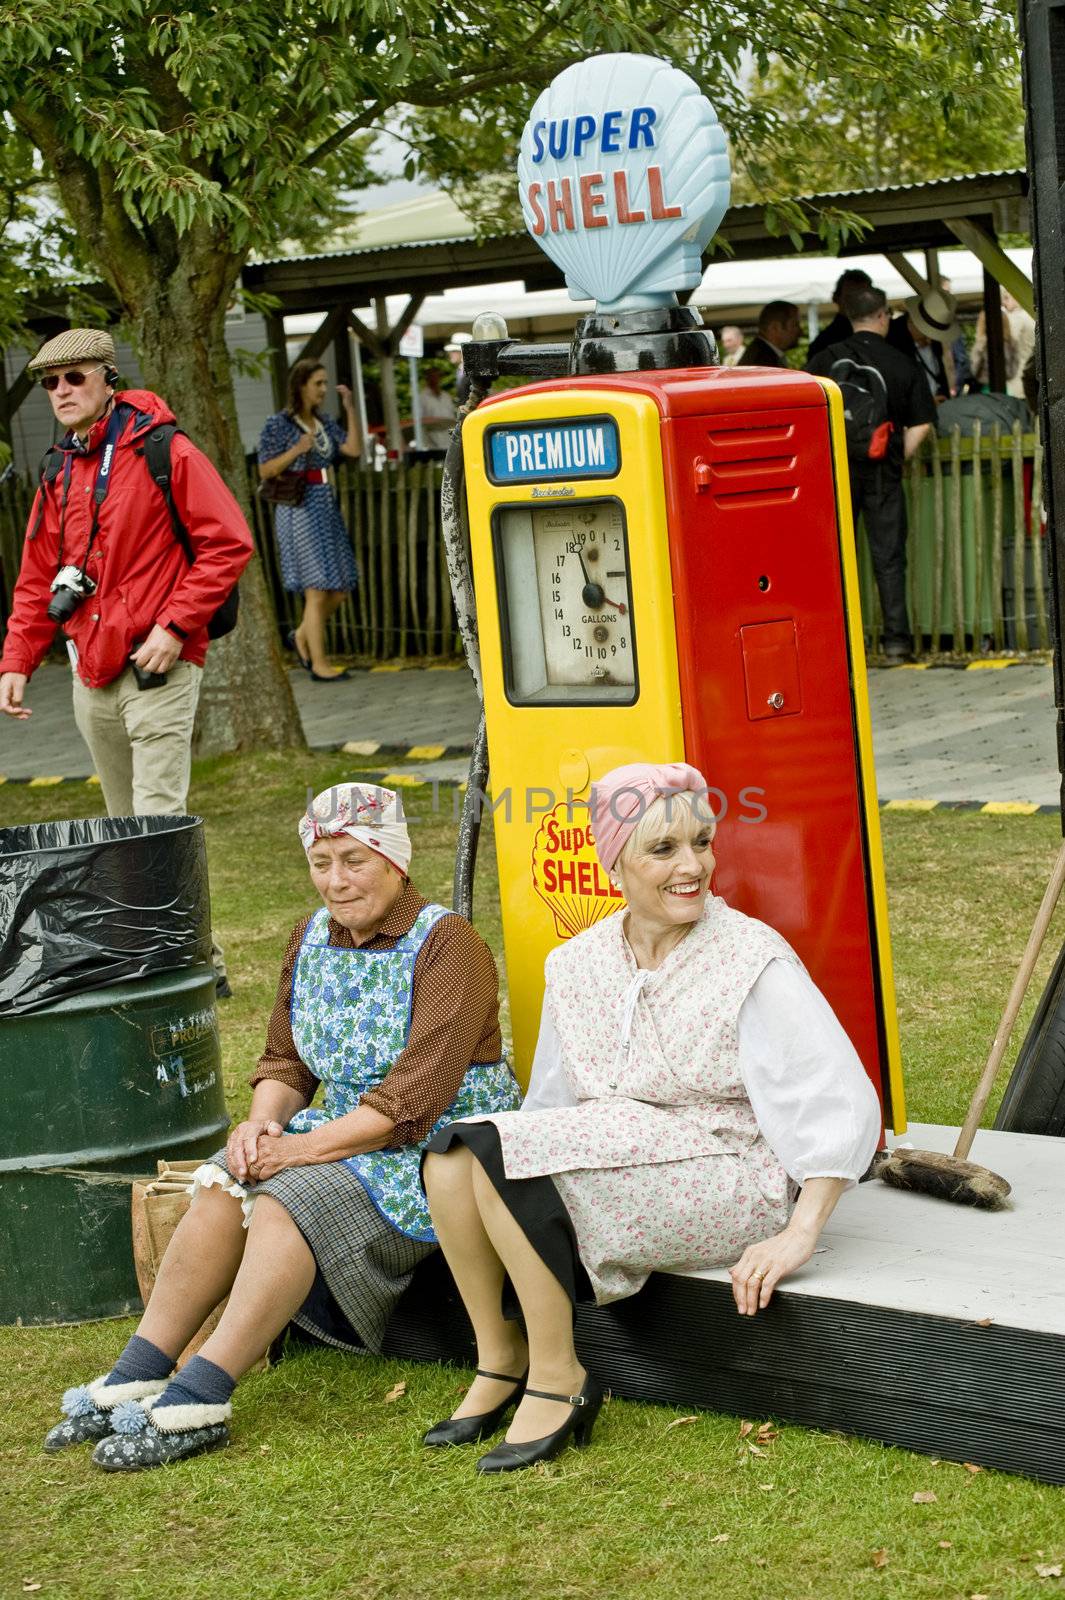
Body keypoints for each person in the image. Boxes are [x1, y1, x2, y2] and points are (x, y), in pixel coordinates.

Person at [43, 782, 522, 1472]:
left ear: (395, 861)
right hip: (347, 1129)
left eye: (354, 860)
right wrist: (260, 1125)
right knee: (223, 1179)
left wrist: (295, 1151)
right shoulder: (309, 937)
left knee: (284, 1198)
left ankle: (202, 1395)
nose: (336, 880)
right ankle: (140, 1370)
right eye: (322, 862)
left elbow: (415, 1099)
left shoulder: (449, 944)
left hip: (438, 1144)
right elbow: (285, 1062)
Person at [422, 763, 880, 1475]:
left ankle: (559, 1376)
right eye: (662, 850)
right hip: (625, 1143)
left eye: (701, 842)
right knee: (454, 1157)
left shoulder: (749, 959)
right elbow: (549, 1101)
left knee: (505, 1167)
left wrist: (799, 1232)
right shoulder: (575, 963)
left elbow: (834, 1099)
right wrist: (537, 1150)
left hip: (731, 1171)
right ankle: (498, 1357)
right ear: (615, 866)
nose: (692, 865)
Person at [0, 327, 253, 994]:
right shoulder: (58, 470)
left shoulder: (163, 448)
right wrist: (18, 657)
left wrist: (174, 626)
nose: (60, 391)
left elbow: (228, 542)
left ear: (108, 379)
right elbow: (35, 578)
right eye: (50, 382)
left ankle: (181, 969)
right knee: (124, 833)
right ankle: (184, 956)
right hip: (92, 671)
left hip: (159, 668)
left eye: (74, 377)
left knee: (155, 822)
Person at [807, 285, 935, 662]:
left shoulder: (823, 362)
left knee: (835, 557)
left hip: (837, 475)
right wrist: (897, 456)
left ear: (848, 317)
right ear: (882, 316)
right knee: (889, 558)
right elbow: (922, 423)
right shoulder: (900, 361)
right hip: (883, 473)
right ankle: (897, 643)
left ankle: (842, 644)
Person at [257, 359, 362, 682]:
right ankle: (319, 664)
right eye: (318, 383)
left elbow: (353, 449)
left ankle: (301, 635)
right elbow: (266, 470)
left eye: (325, 383)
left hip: (324, 504)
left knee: (340, 587)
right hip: (298, 507)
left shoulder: (325, 421)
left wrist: (350, 408)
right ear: (301, 385)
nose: (323, 389)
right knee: (316, 590)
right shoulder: (279, 425)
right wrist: (297, 450)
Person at [887, 287, 961, 403]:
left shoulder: (934, 342)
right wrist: (926, 403)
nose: (933, 337)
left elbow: (938, 375)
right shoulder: (892, 340)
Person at [806, 268, 873, 363]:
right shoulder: (825, 342)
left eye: (863, 296)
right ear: (836, 298)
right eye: (850, 296)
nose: (857, 301)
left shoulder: (884, 333)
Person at [969, 309, 1020, 394]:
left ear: (982, 324)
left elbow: (974, 369)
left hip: (986, 390)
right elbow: (1013, 371)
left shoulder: (981, 344)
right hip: (1006, 389)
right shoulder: (1011, 343)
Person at [736, 302, 801, 368]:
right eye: (795, 325)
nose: (800, 331)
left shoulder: (761, 354)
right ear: (775, 328)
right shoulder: (762, 360)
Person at [417, 366, 459, 456]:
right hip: (431, 443)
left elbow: (451, 417)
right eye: (432, 376)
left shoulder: (446, 396)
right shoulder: (421, 398)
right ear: (427, 379)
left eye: (437, 376)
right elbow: (419, 421)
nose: (435, 379)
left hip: (448, 441)